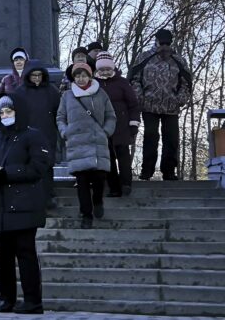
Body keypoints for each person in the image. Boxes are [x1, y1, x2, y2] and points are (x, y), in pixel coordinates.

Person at [0, 95, 51, 314]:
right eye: (1, 112)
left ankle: (33, 300)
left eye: (9, 111)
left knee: (25, 255)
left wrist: (6, 173)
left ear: (17, 111)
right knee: (3, 257)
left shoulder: (33, 136)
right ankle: (7, 298)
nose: (5, 116)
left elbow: (39, 167)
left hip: (23, 205)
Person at [57, 62, 116, 228]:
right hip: (77, 143)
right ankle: (86, 215)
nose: (80, 79)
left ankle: (98, 202)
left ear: (90, 76)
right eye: (77, 76)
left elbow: (111, 115)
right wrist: (65, 131)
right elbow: (60, 117)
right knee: (82, 182)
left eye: (83, 75)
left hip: (98, 142)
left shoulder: (101, 93)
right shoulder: (67, 96)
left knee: (99, 178)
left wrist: (106, 131)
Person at [129, 28, 192, 181]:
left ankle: (169, 172)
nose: (164, 46)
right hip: (149, 106)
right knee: (150, 136)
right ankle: (147, 171)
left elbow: (187, 83)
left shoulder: (179, 60)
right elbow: (134, 78)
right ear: (156, 41)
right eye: (161, 42)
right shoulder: (144, 57)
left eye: (167, 43)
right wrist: (140, 97)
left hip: (171, 107)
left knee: (171, 139)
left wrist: (180, 99)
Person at [12, 58, 60, 208]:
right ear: (28, 75)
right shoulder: (20, 92)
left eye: (40, 75)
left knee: (46, 165)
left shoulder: (52, 91)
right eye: (34, 75)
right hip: (27, 135)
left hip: (47, 133)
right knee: (28, 166)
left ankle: (48, 196)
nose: (37, 79)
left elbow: (58, 113)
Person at [93, 51, 141, 197]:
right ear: (98, 70)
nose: (106, 72)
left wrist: (134, 123)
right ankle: (113, 187)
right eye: (102, 69)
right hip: (103, 125)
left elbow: (133, 104)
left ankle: (126, 183)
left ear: (112, 68)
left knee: (123, 156)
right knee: (108, 158)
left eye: (108, 69)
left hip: (122, 124)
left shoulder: (122, 82)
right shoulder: (94, 84)